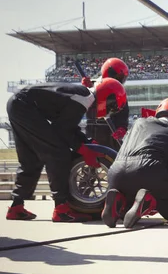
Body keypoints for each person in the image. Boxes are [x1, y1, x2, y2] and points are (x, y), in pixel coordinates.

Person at [5, 79, 127, 222]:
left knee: (30, 159)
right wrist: (84, 149)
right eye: (112, 106)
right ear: (108, 96)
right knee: (58, 153)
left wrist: (85, 142)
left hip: (17, 104)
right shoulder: (85, 98)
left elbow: (67, 126)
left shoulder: (81, 95)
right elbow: (62, 130)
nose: (110, 110)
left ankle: (16, 207)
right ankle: (61, 209)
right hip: (25, 107)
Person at [102, 98, 168, 228]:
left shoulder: (138, 123)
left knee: (129, 207)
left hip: (116, 172)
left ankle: (119, 201)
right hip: (148, 170)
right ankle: (148, 201)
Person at [82, 58, 131, 151]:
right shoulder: (93, 86)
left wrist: (122, 128)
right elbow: (84, 104)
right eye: (119, 77)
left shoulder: (119, 90)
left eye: (122, 78)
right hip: (94, 134)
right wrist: (85, 89)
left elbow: (124, 113)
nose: (120, 81)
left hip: (112, 134)